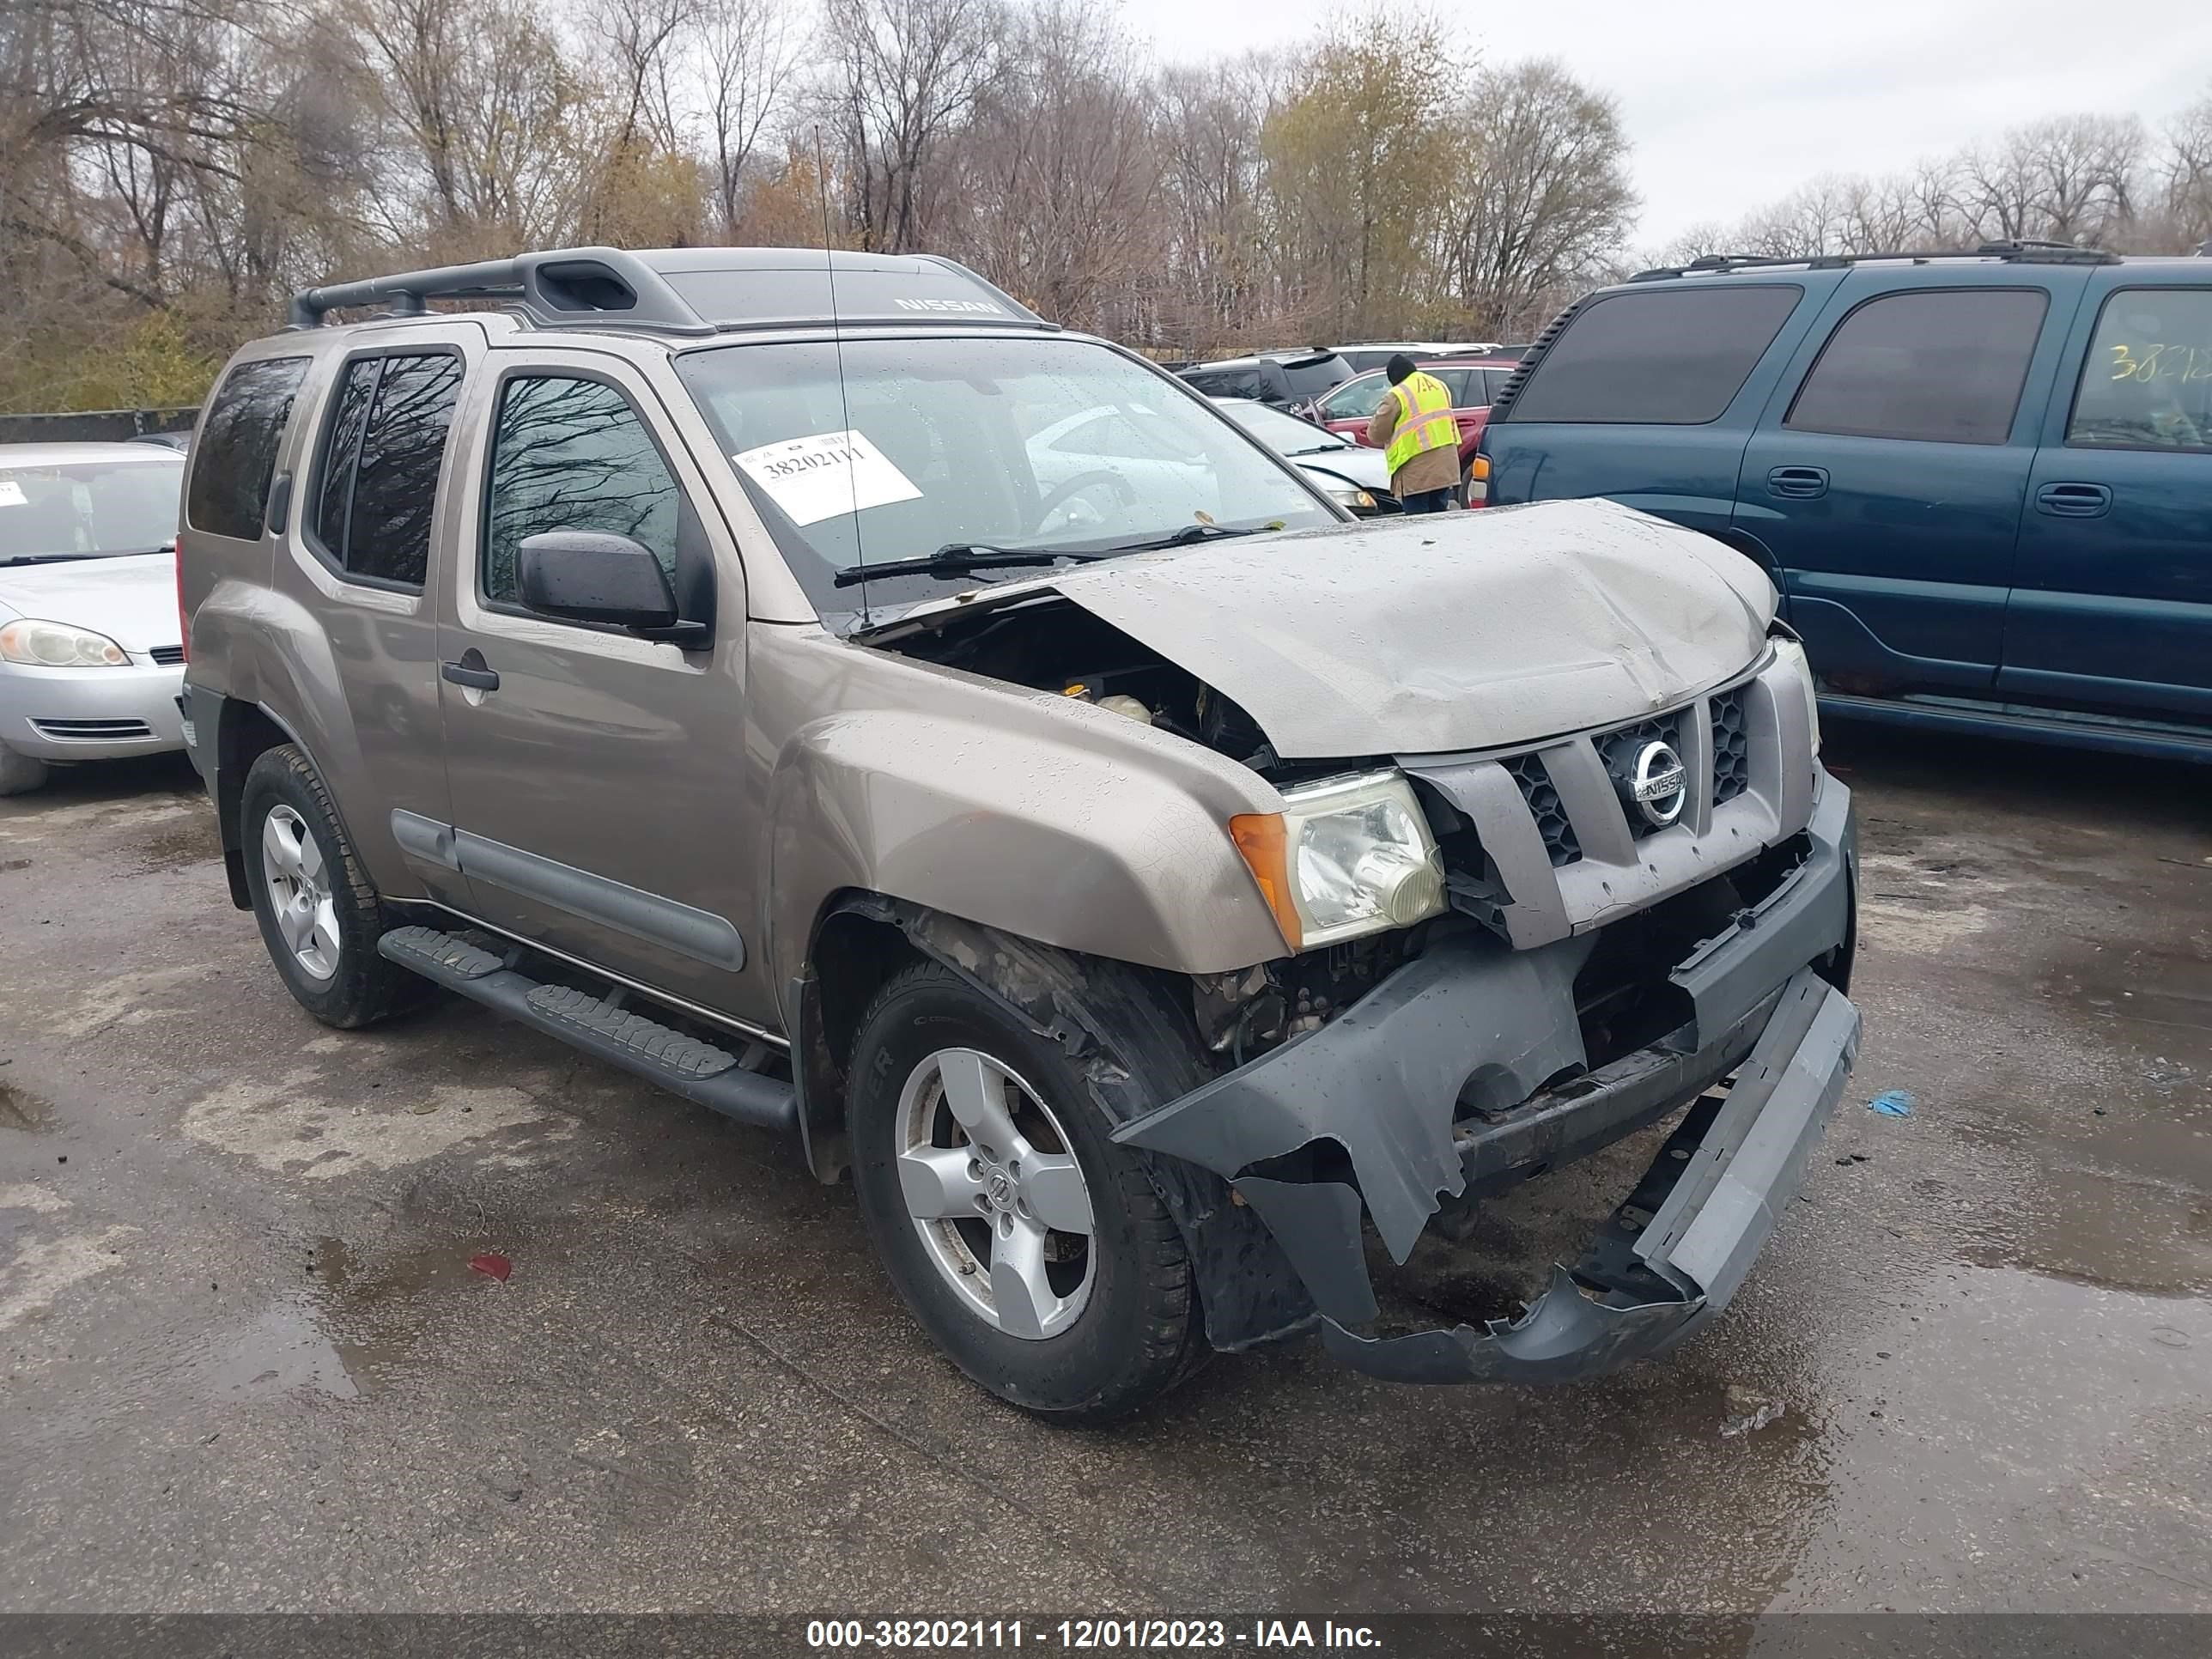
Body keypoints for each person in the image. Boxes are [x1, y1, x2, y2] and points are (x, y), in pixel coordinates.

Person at [1364, 354, 1461, 514]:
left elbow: (1376, 434)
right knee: (1440, 520)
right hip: (1446, 467)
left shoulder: (1397, 394)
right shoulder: (1439, 385)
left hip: (1417, 472)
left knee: (1418, 525)